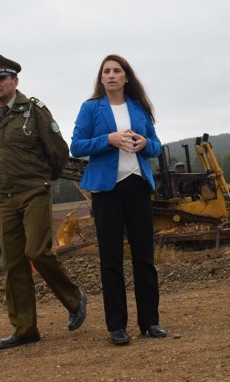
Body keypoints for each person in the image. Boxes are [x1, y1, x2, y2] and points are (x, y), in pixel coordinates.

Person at [0, 52, 88, 349]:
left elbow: (58, 152)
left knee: (37, 251)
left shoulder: (33, 110)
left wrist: (42, 179)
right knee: (13, 264)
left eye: (1, 78)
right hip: (4, 196)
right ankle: (25, 329)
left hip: (34, 191)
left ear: (15, 80)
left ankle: (75, 298)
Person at [70, 54, 166, 346]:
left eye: (117, 71)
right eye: (106, 71)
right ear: (101, 79)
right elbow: (76, 146)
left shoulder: (139, 108)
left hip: (137, 186)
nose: (111, 75)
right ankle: (116, 326)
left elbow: (157, 146)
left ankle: (150, 322)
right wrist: (108, 140)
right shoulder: (90, 108)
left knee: (144, 257)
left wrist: (145, 143)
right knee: (110, 260)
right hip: (106, 191)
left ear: (126, 77)